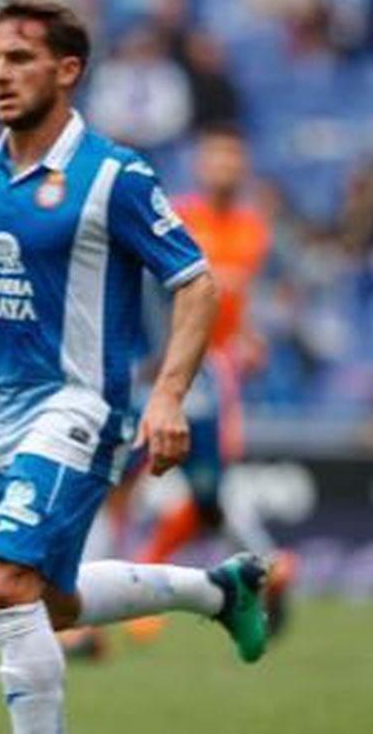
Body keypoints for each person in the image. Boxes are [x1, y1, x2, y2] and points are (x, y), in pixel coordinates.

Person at [0, 0, 270, 734]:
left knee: (3, 587)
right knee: (51, 600)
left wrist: (166, 397)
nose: (1, 75)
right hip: (3, 417)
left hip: (83, 408)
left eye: (21, 59)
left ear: (67, 71)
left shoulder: (115, 175)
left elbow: (197, 283)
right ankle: (220, 592)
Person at [119, 126, 294, 643]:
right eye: (216, 157)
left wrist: (249, 337)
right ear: (199, 165)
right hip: (160, 366)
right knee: (122, 482)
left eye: (233, 158)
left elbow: (238, 302)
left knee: (207, 490)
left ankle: (255, 568)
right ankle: (264, 564)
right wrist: (152, 351)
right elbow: (148, 285)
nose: (225, 167)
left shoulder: (253, 229)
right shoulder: (177, 216)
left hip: (212, 373)